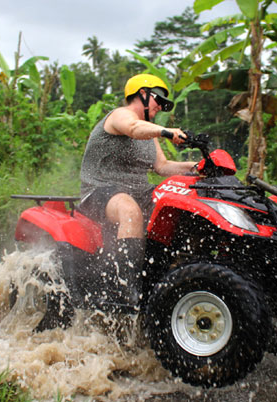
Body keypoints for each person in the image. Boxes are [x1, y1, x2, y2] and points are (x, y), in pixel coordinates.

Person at [77, 73, 196, 310]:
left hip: (139, 191)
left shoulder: (149, 133)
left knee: (180, 209)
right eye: (158, 100)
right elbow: (132, 128)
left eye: (164, 104)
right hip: (101, 190)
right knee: (130, 210)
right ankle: (123, 287)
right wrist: (166, 131)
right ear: (142, 94)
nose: (161, 107)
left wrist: (198, 168)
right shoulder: (122, 116)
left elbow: (162, 167)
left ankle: (169, 278)